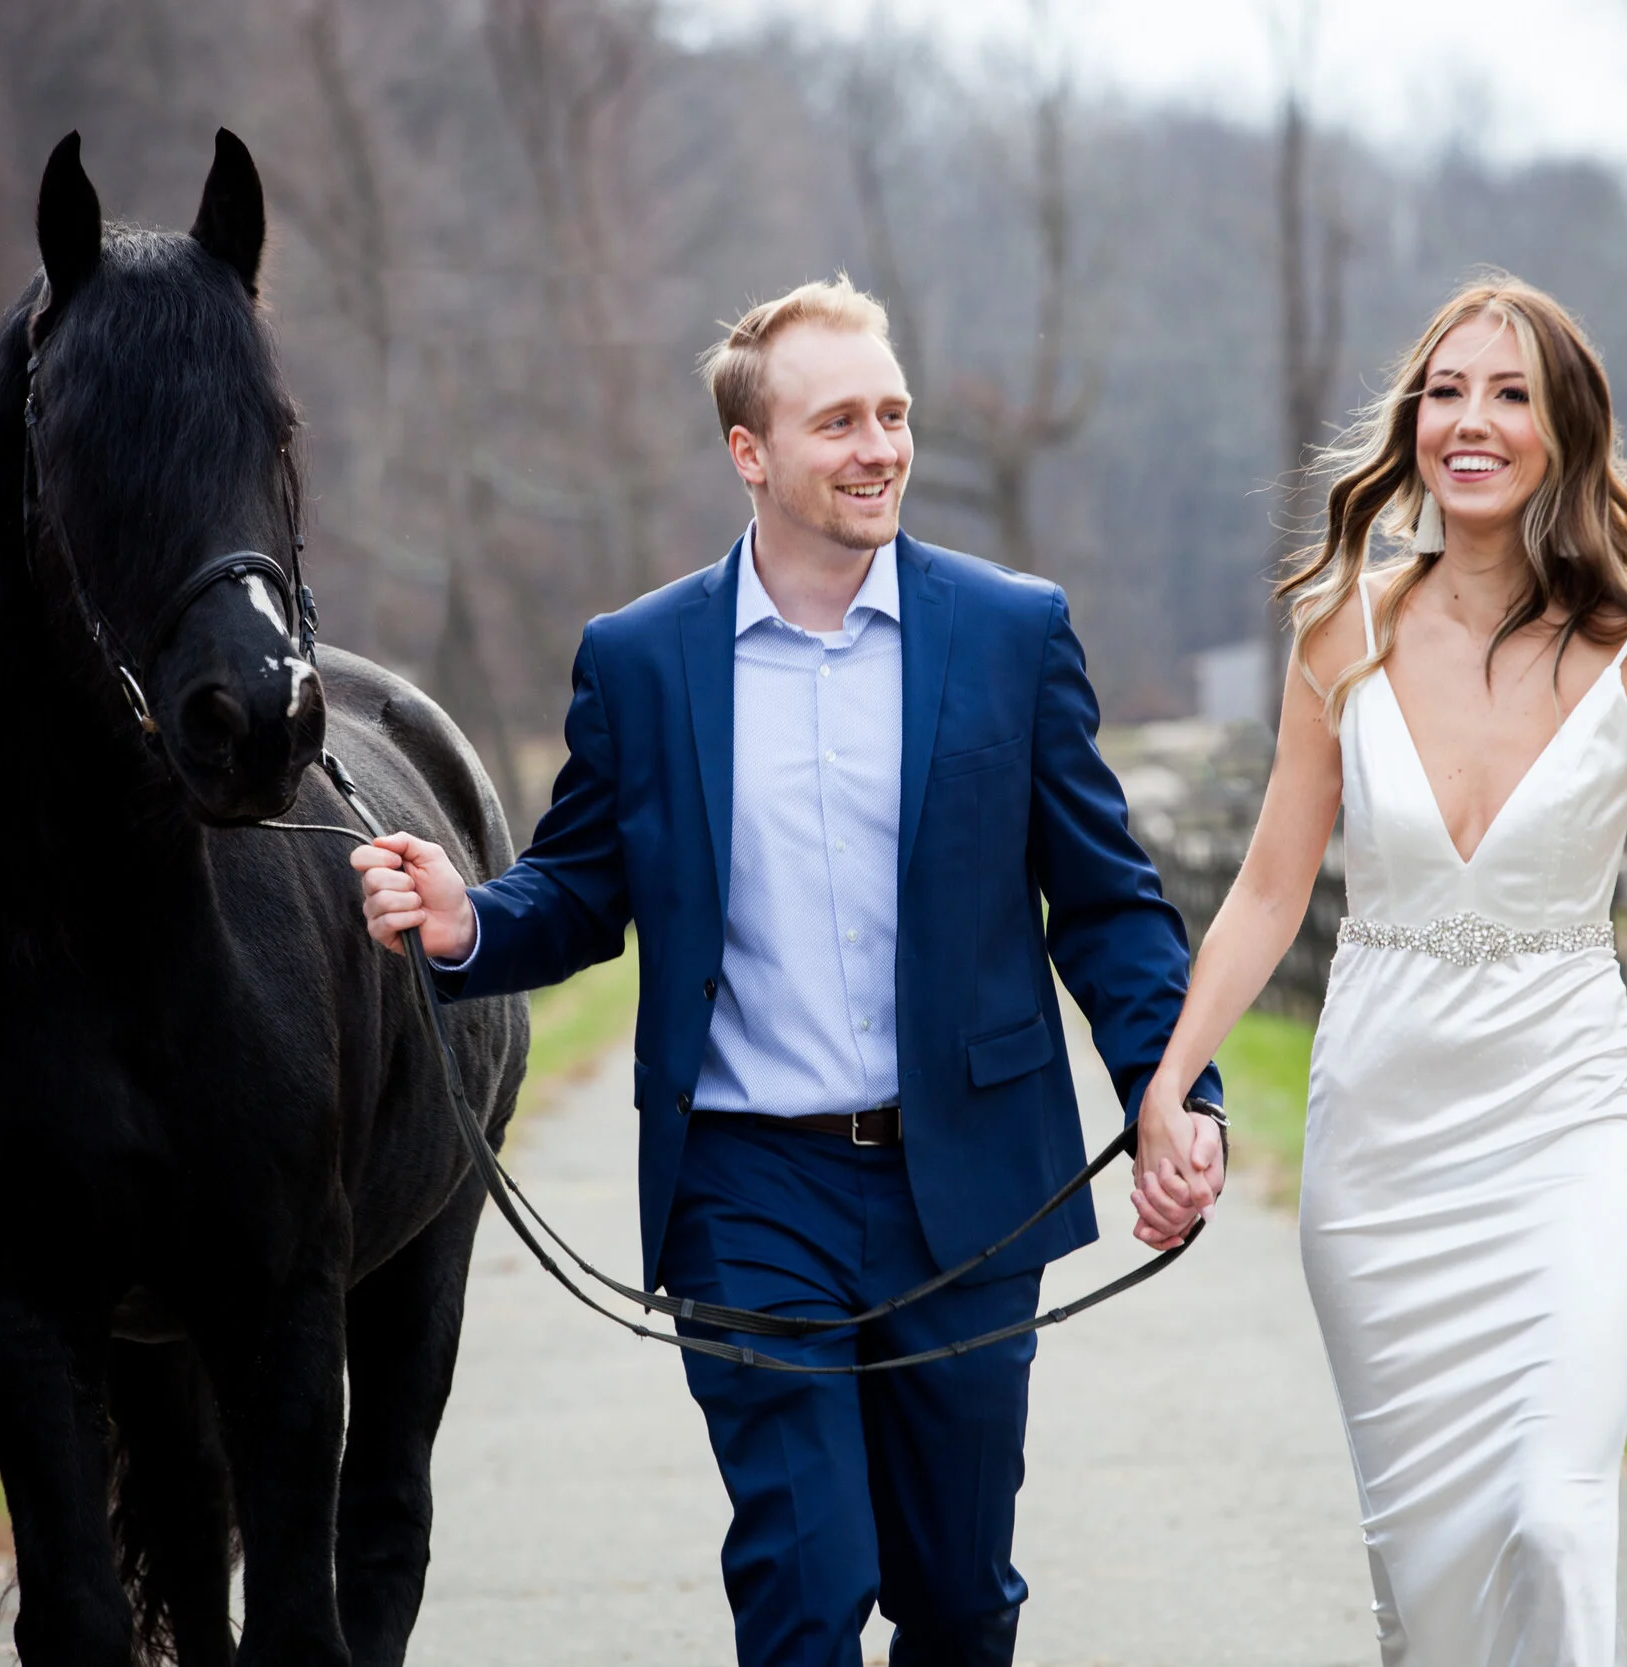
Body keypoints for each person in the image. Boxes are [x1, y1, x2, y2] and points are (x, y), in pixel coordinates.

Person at [350, 276, 1225, 1667]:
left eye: (893, 414)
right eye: (838, 422)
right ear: (750, 451)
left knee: (955, 1597)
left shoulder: (1011, 635)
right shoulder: (641, 663)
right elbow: (582, 887)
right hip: (752, 1189)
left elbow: (1109, 904)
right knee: (804, 1587)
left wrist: (1177, 1091)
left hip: (974, 1191)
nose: (879, 446)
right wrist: (468, 926)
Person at [1126, 276, 1627, 1664]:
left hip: (1567, 1125)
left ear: (1566, 431)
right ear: (1413, 420)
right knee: (1428, 1583)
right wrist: (1173, 1080)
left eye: (1510, 393)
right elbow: (1268, 887)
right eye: (1447, 390)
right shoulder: (1336, 624)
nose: (1471, 420)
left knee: (1549, 1514)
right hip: (1382, 1149)